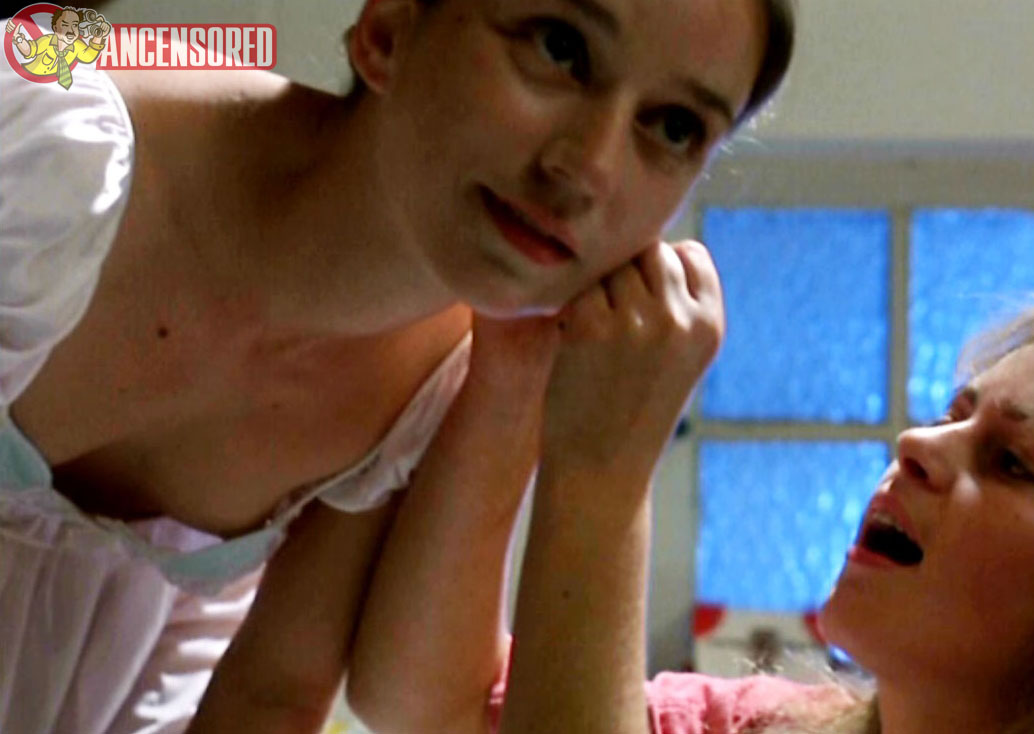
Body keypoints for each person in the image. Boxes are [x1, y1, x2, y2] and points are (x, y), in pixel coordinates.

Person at [0, 0, 794, 731]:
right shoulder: (43, 148)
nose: (588, 168)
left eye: (676, 127)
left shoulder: (443, 384)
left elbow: (278, 697)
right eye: (560, 49)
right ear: (388, 31)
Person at [358, 295, 1034, 734]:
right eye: (954, 414)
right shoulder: (761, 723)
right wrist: (514, 364)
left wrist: (607, 469)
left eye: (1010, 462)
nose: (916, 442)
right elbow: (432, 704)